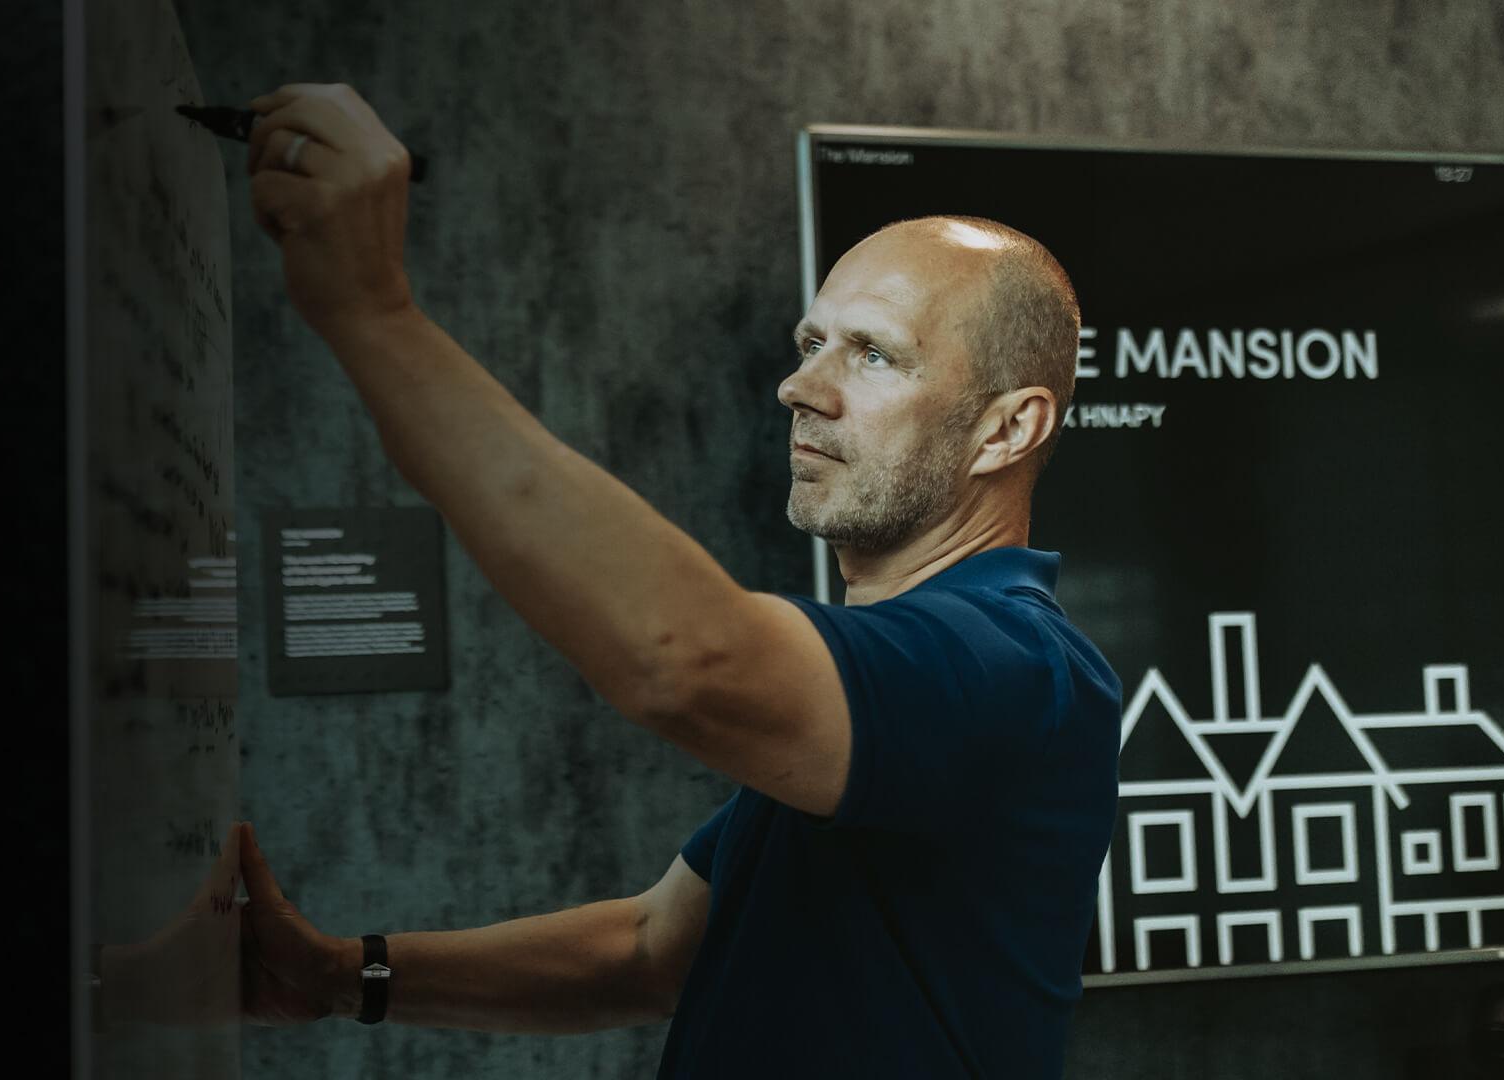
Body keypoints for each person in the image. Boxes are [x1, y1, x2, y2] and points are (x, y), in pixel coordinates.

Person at [235, 83, 1121, 1078]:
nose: (800, 388)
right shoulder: (888, 695)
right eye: (810, 344)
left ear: (1009, 428)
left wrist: (372, 312)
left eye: (872, 354)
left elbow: (681, 657)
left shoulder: (1007, 664)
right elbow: (650, 951)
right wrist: (338, 977)